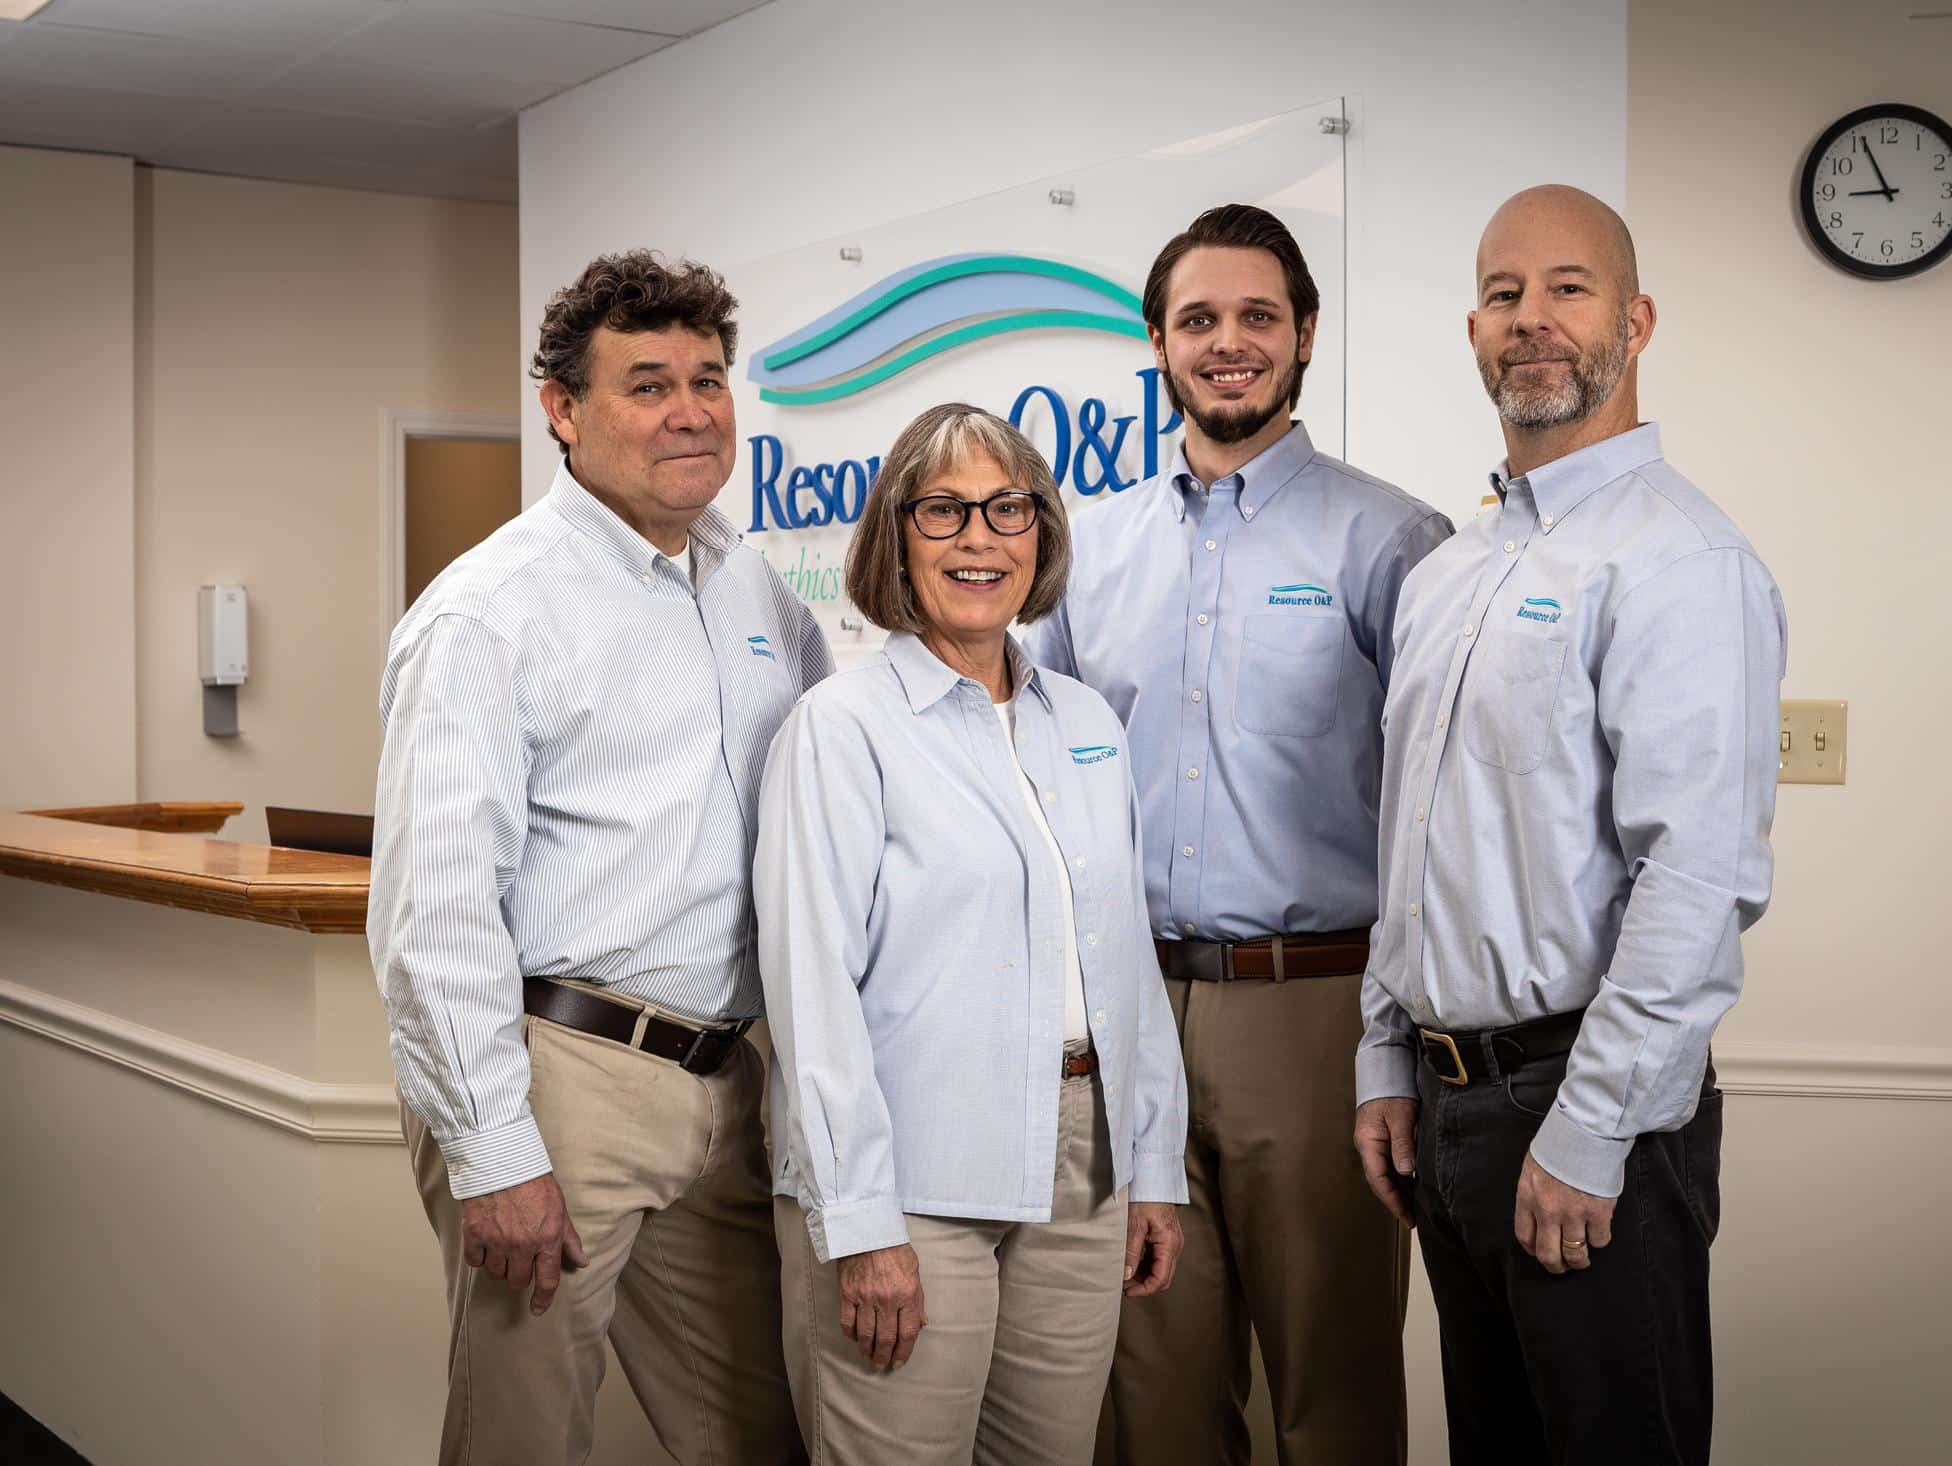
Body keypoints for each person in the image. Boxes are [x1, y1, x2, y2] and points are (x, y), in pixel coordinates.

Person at [367, 250, 825, 1466]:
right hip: (563, 1077)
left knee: (760, 1429)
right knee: (523, 1436)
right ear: (562, 411)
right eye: (646, 384)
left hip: (728, 1080)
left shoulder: (756, 591)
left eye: (709, 378)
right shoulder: (487, 613)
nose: (690, 409)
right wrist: (495, 1150)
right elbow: (434, 912)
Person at [1353, 185, 1786, 1465]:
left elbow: (1695, 875)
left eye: (1567, 288)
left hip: (1588, 1109)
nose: (1530, 319)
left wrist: (1589, 1131)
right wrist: (1387, 1058)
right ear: (1473, 330)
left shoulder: (1680, 562)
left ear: (1636, 320)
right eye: (1502, 294)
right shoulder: (1450, 572)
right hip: (1448, 1111)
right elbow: (1414, 845)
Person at [1024, 203, 1451, 1466]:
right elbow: (1022, 774)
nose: (1227, 343)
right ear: (1155, 342)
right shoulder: (1085, 550)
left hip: (1315, 1014)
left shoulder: (1392, 540)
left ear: (1303, 335)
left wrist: (1390, 1044)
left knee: (1332, 1390)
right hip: (1126, 1007)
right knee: (1149, 1391)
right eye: (1197, 319)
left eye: (1256, 316)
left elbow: (1435, 818)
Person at [756, 401, 1190, 1465]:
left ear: (1041, 530)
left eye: (1007, 507)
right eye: (943, 510)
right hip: (911, 1177)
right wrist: (858, 1221)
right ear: (895, 538)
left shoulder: (1084, 722)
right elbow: (811, 991)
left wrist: (1153, 1164)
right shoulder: (842, 727)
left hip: (1081, 1167)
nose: (979, 538)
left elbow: (1122, 954)